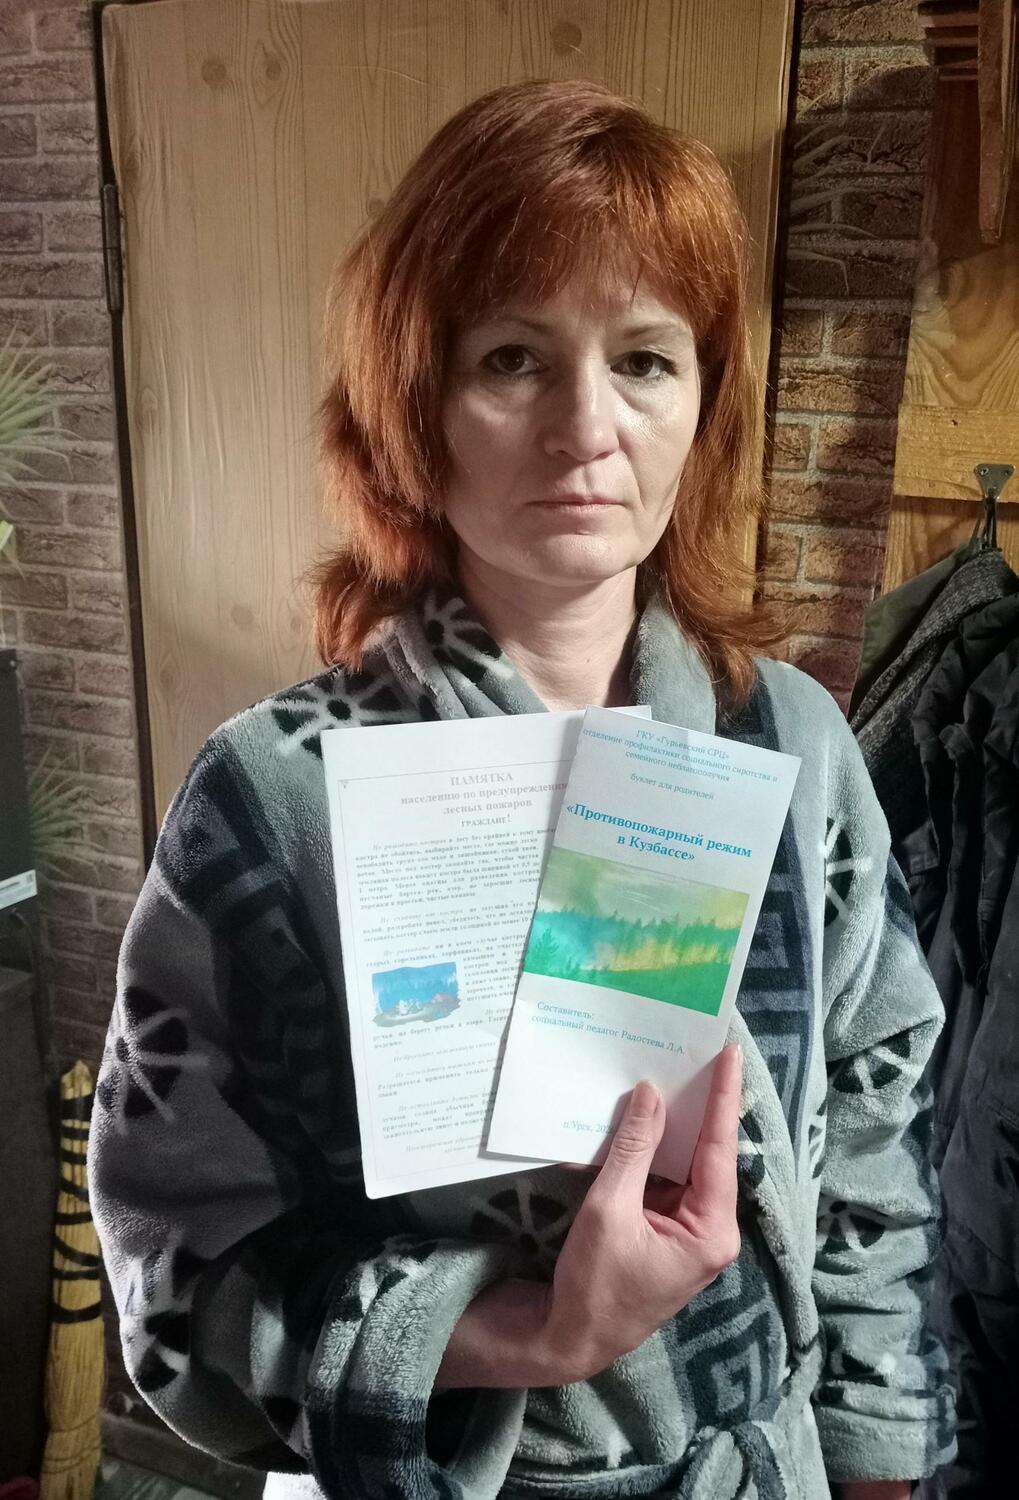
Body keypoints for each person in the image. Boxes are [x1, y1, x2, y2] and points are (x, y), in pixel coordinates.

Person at [88, 79, 955, 1499]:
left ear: (704, 402)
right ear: (414, 405)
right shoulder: (275, 798)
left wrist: (876, 1458)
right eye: (511, 358)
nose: (586, 426)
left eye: (646, 359)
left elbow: (873, 1129)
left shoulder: (791, 747)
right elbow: (176, 1266)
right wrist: (526, 1333)